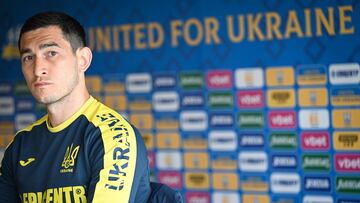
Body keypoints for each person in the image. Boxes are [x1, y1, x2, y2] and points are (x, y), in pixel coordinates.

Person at [0, 11, 151, 202]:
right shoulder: (20, 145)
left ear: (83, 60)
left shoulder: (113, 136)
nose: (38, 70)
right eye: (28, 58)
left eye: (51, 53)